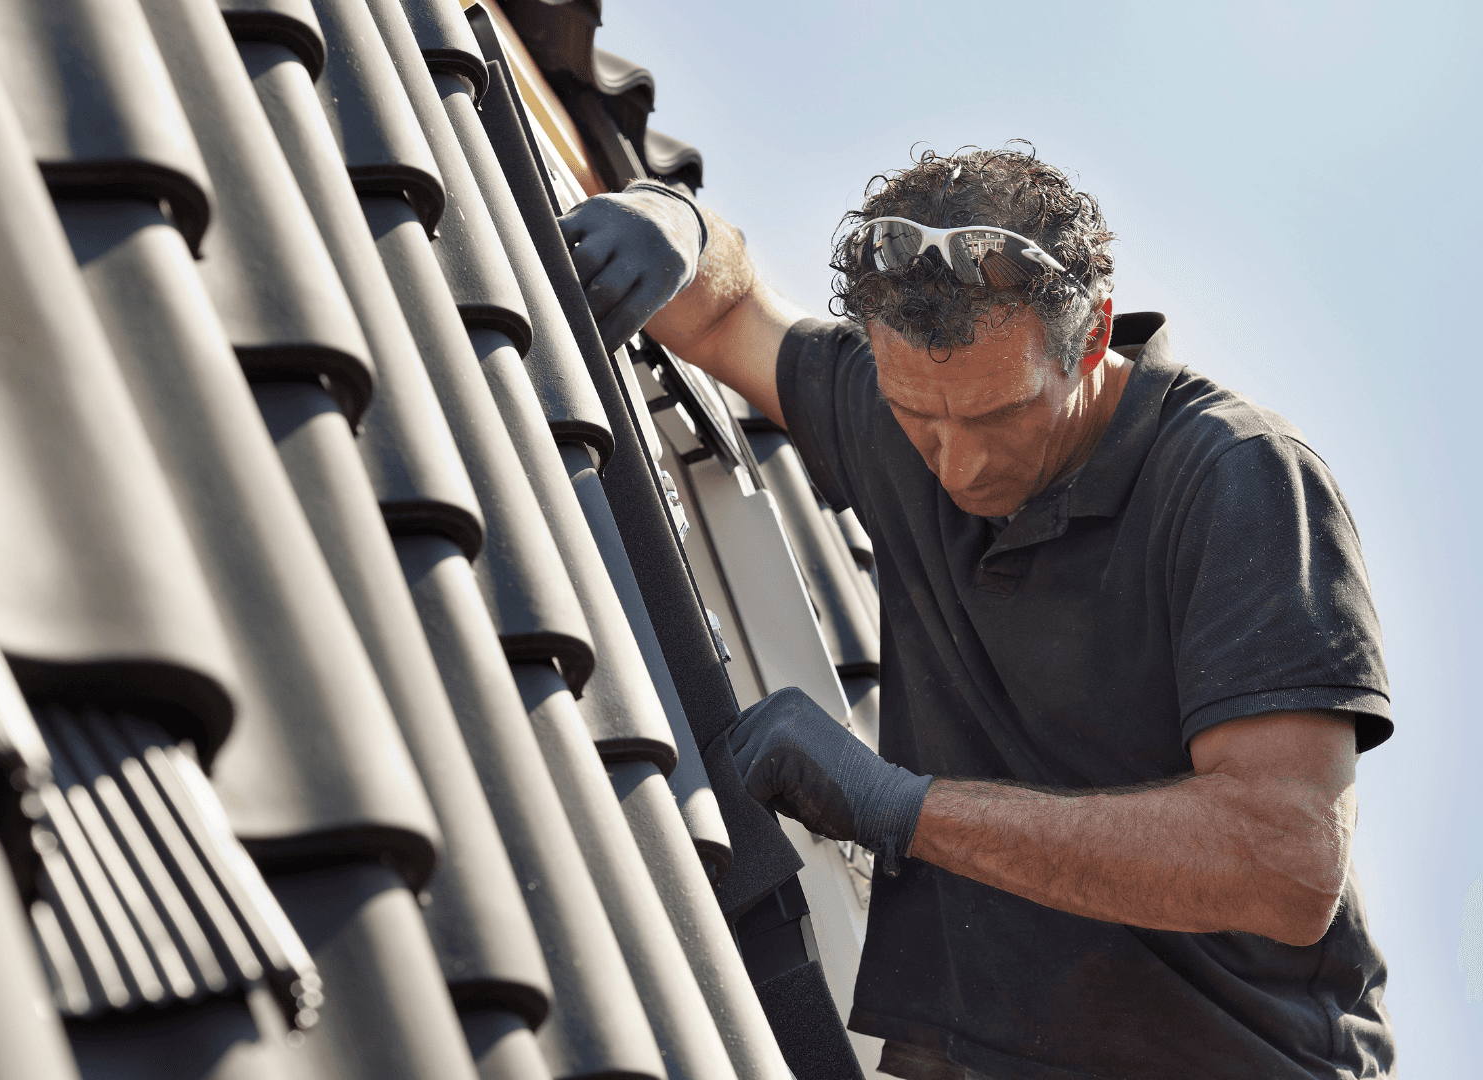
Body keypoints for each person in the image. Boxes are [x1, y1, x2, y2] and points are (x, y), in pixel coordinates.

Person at [558, 147, 1394, 1080]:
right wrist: (679, 223)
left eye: (1000, 417)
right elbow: (725, 309)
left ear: (1091, 335)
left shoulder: (1235, 476)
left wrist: (898, 807)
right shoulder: (892, 422)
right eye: (919, 415)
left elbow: (1284, 864)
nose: (957, 466)